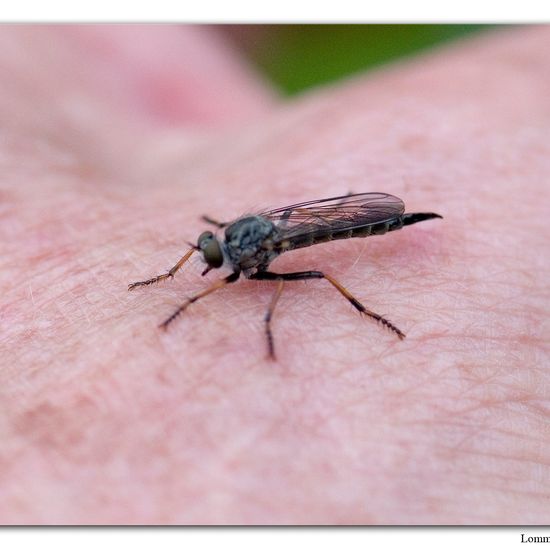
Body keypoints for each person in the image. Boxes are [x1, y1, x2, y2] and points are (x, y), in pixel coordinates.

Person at [1, 25, 548, 524]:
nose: (206, 253)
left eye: (210, 249)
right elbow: (239, 234)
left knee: (302, 275)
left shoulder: (242, 256)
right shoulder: (230, 240)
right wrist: (178, 270)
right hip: (281, 226)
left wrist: (207, 309)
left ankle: (365, 310)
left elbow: (287, 250)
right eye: (209, 248)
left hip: (304, 228)